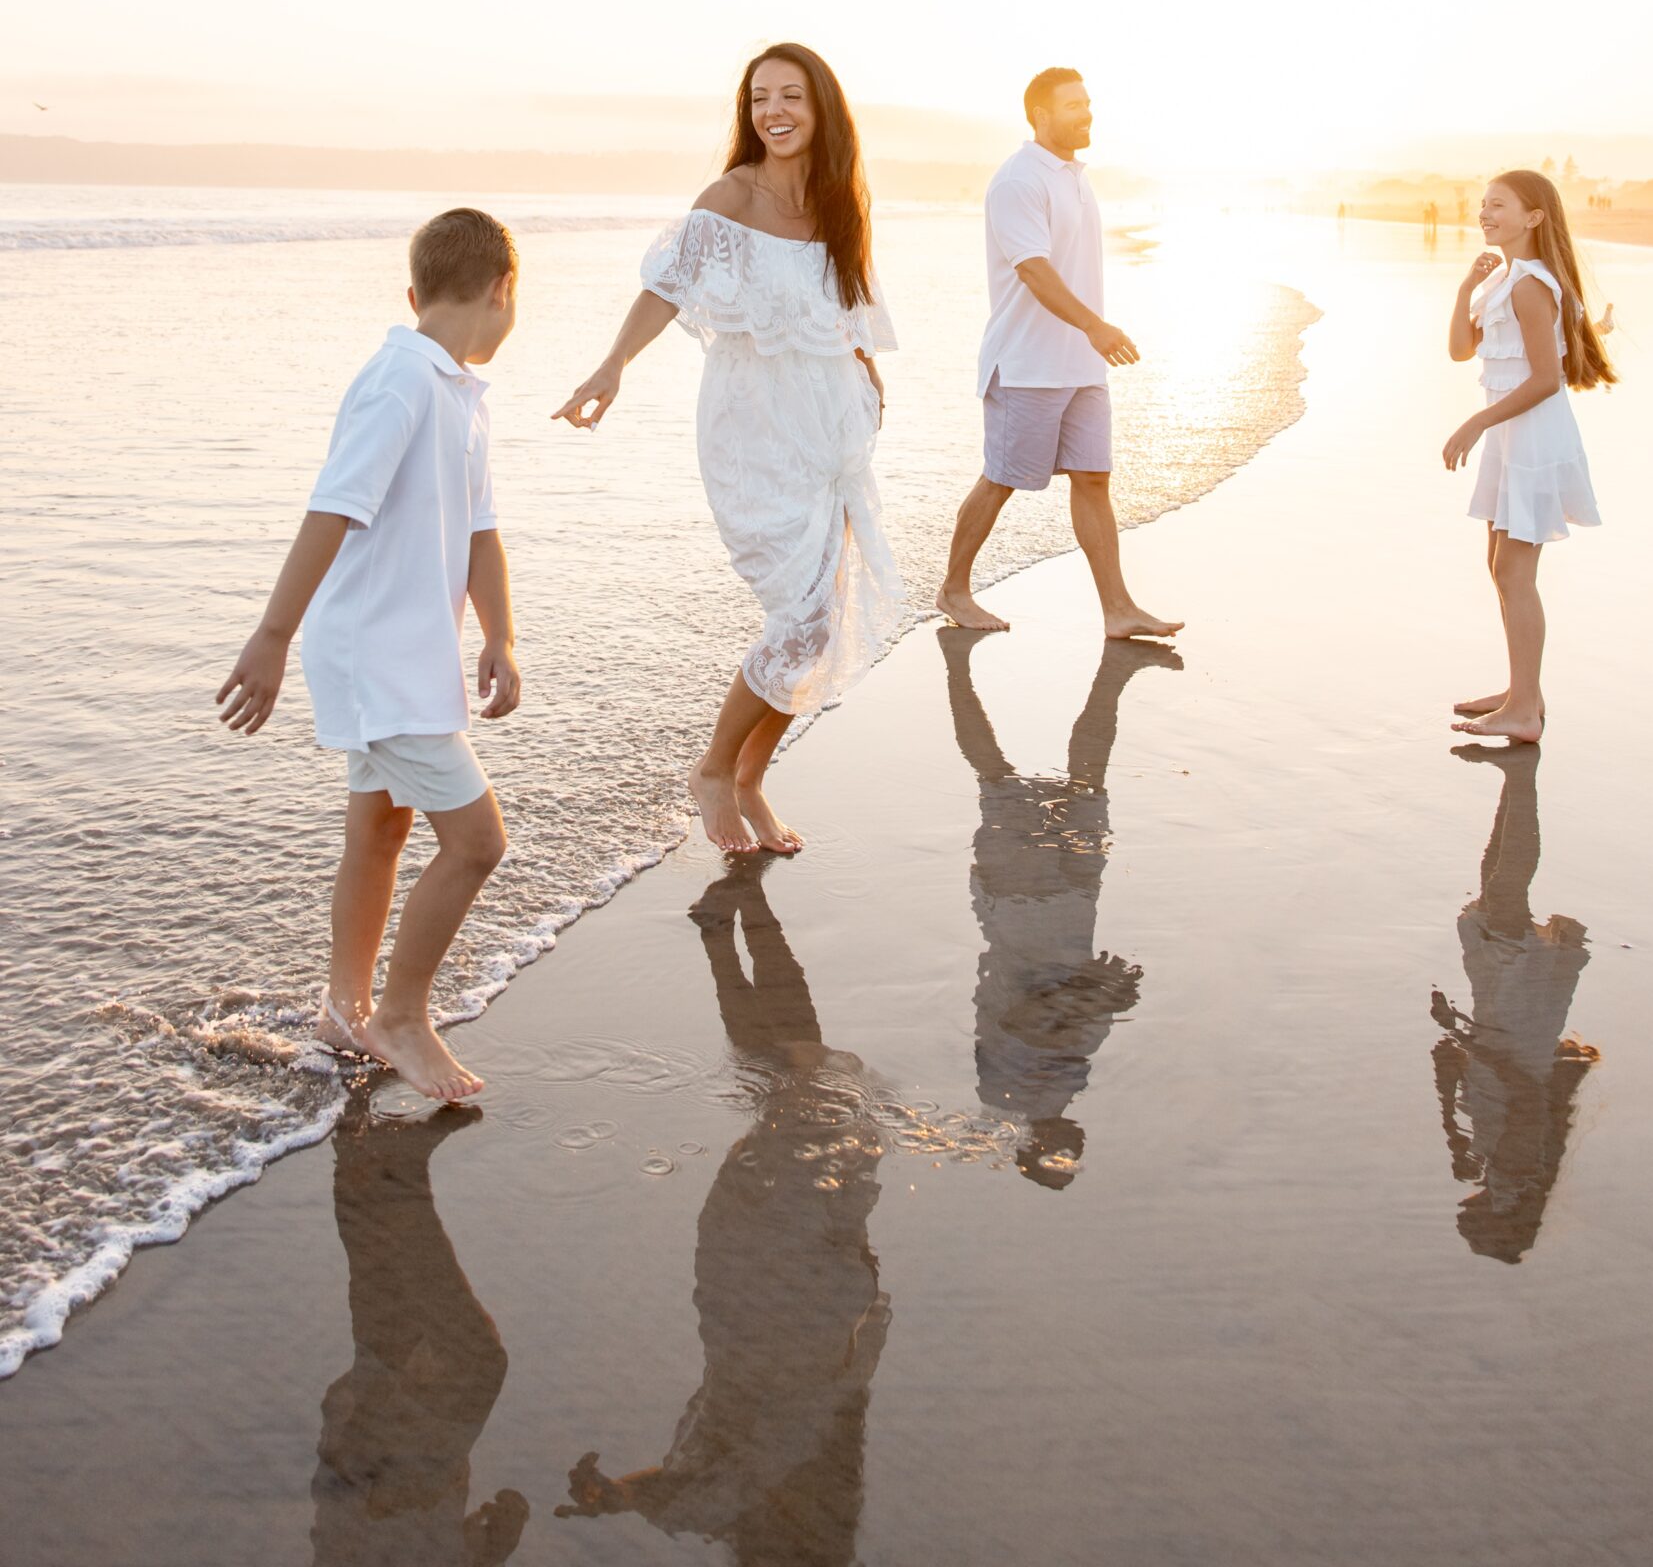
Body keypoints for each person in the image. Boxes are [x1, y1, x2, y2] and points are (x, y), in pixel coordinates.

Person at [556, 46, 905, 857]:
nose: (773, 112)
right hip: (755, 431)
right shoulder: (730, 198)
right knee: (800, 611)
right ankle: (715, 770)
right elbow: (665, 286)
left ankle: (751, 777)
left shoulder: (838, 205)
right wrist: (612, 366)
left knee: (818, 622)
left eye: (790, 96)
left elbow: (849, 310)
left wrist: (868, 377)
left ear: (822, 109)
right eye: (758, 99)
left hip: (831, 435)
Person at [216, 208, 522, 1105]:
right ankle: (401, 1015)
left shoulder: (457, 390)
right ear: (505, 291)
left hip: (409, 655)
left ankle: (346, 1010)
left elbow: (480, 530)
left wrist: (500, 634)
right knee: (476, 842)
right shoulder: (401, 382)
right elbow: (333, 507)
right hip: (376, 660)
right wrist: (273, 636)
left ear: (416, 291)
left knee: (381, 829)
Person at [557, 869, 890, 1565]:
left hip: (793, 1279)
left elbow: (691, 1496)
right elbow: (687, 1495)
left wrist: (625, 1496)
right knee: (796, 1072)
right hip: (753, 1281)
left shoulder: (793, 1460)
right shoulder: (774, 1473)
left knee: (804, 1070)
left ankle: (734, 924)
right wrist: (623, 1496)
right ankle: (726, 929)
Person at [935, 66, 1181, 640]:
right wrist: (1095, 326)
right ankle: (953, 589)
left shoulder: (1074, 175)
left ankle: (1119, 610)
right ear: (1041, 115)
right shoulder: (1019, 180)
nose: (1087, 113)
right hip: (1026, 364)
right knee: (1001, 480)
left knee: (1094, 480)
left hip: (1081, 365)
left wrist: (1090, 338)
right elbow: (1033, 270)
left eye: (1088, 103)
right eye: (1074, 105)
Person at [938, 626, 1178, 1185]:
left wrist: (1094, 1000)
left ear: (1035, 1151)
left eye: (1060, 1161)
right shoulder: (1062, 1091)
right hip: (1071, 913)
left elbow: (1022, 1019)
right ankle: (1112, 677)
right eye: (1074, 1159)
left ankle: (956, 668)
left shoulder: (1007, 1095)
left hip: (1020, 909)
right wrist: (1105, 994)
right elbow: (1061, 1019)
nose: (1074, 1149)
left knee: (996, 778)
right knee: (1088, 785)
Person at [312, 1102, 528, 1565]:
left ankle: (396, 1168)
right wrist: (490, 1549)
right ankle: (353, 1140)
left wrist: (494, 1546)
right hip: (362, 1489)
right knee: (388, 1334)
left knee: (474, 1365)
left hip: (392, 1497)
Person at [1443, 169, 1614, 743]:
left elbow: (1546, 379)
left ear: (1533, 217)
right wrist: (1466, 288)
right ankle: (1525, 694)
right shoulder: (1503, 280)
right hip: (1510, 438)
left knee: (1515, 574)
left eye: (1498, 205)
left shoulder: (1531, 285)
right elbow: (1461, 351)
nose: (1484, 213)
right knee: (1501, 568)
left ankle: (1522, 711)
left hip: (1532, 438)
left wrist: (1475, 421)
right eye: (1482, 204)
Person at [1428, 747, 1598, 1263]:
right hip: (1515, 1023)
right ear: (1497, 1220)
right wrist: (1461, 1039)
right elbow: (1523, 1094)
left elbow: (1479, 1091)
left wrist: (1455, 1134)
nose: (1467, 1209)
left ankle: (1516, 779)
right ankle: (1523, 778)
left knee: (1494, 888)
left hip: (1496, 1023)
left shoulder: (1500, 1173)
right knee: (1506, 893)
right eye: (1475, 1221)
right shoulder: (1519, 1174)